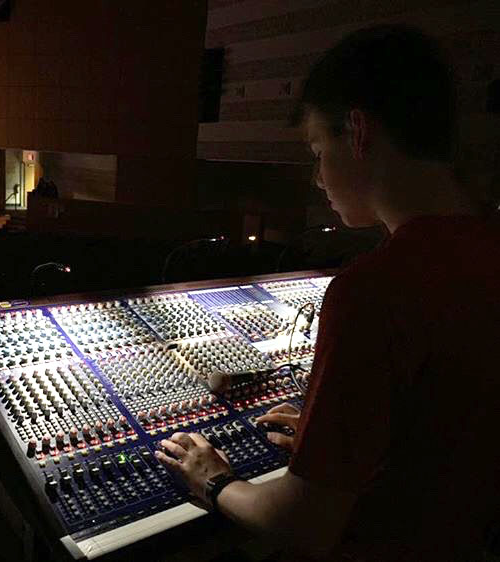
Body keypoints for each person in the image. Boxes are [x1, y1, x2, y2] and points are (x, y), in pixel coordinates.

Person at [156, 25, 500, 561]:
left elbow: (301, 524)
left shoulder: (374, 290)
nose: (318, 177)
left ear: (359, 132)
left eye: (318, 150)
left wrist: (214, 480)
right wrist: (339, 442)